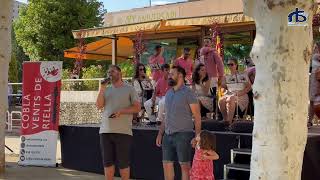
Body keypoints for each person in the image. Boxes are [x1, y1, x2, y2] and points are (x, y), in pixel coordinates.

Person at [156, 66, 201, 180]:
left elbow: (197, 116)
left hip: (184, 135)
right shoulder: (169, 93)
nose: (169, 76)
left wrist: (197, 136)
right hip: (167, 134)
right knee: (166, 165)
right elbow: (166, 115)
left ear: (180, 75)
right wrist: (160, 134)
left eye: (172, 74)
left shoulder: (188, 93)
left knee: (184, 166)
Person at [96, 65, 141, 180]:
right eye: (108, 72)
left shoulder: (129, 88)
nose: (110, 74)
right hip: (105, 131)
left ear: (119, 73)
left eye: (112, 71)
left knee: (123, 164)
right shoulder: (106, 88)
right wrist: (101, 89)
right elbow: (99, 105)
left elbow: (137, 108)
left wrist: (122, 111)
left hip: (123, 132)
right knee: (107, 163)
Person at [219, 58, 252, 124]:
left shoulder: (242, 75)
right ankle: (225, 120)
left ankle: (229, 122)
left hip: (241, 95)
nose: (230, 66)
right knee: (221, 100)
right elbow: (222, 88)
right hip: (230, 94)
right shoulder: (226, 76)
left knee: (231, 98)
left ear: (236, 65)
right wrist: (226, 92)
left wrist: (239, 93)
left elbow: (249, 87)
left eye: (232, 64)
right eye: (228, 64)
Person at [308, 47, 320, 127]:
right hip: (314, 80)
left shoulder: (315, 56)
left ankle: (310, 121)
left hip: (316, 80)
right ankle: (309, 121)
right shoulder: (315, 56)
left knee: (314, 101)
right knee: (312, 100)